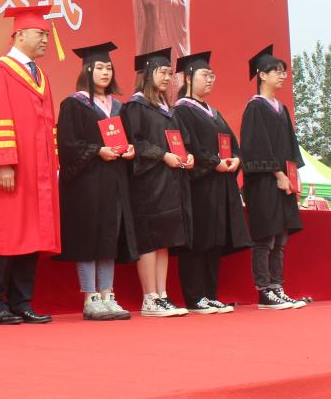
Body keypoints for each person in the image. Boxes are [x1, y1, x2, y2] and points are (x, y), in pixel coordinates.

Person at [0, 5, 59, 325]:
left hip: (36, 172)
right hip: (9, 171)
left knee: (31, 235)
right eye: (40, 34)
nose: (45, 39)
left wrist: (51, 164)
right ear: (20, 35)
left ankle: (22, 301)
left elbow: (47, 125)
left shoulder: (40, 76)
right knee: (4, 234)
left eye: (46, 34)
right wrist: (3, 163)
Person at [55, 42, 137, 321]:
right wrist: (97, 150)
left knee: (109, 236)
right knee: (89, 236)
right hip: (86, 183)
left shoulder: (119, 106)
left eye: (109, 68)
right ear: (87, 71)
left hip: (114, 180)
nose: (105, 72)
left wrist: (130, 149)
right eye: (100, 67)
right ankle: (90, 297)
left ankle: (107, 294)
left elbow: (129, 139)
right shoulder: (74, 104)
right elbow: (68, 145)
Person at [173, 52, 251, 314]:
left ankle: (210, 294)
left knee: (216, 240)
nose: (210, 80)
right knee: (199, 240)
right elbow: (189, 145)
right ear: (188, 77)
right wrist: (213, 162)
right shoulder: (182, 109)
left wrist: (236, 159)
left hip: (221, 184)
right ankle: (195, 297)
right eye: (205, 75)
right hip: (199, 185)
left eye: (212, 76)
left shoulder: (213, 112)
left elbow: (232, 143)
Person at [121, 48, 193, 317]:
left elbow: (181, 141)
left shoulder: (169, 109)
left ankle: (162, 294)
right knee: (150, 240)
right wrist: (163, 156)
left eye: (170, 73)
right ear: (148, 74)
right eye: (162, 72)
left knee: (165, 240)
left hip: (170, 182)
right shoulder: (136, 106)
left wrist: (187, 156)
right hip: (148, 184)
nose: (167, 78)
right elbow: (135, 143)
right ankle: (149, 298)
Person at [240, 45, 306, 310]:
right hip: (263, 181)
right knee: (266, 237)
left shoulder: (282, 108)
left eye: (283, 72)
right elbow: (255, 146)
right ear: (262, 75)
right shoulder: (255, 107)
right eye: (276, 71)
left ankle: (278, 287)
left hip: (283, 181)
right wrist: (277, 173)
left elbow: (290, 145)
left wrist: (293, 176)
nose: (282, 76)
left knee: (281, 238)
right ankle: (264, 290)